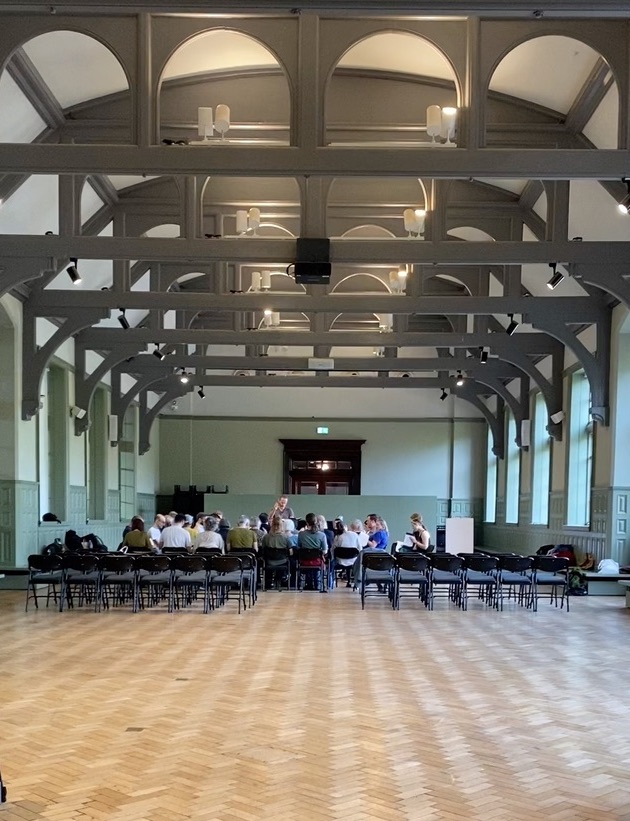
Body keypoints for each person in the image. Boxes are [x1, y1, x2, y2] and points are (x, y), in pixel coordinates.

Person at [296, 512, 328, 591]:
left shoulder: (301, 534)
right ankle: (317, 584)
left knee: (307, 560)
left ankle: (308, 584)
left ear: (306, 522)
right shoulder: (322, 535)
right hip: (317, 561)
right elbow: (325, 550)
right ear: (316, 521)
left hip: (304, 561)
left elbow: (298, 547)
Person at [261, 514, 293, 589]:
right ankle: (282, 580)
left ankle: (268, 583)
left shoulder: (266, 537)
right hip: (283, 561)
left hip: (269, 561)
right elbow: (291, 552)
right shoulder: (286, 537)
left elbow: (263, 549)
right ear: (282, 526)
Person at [332, 520, 362, 587]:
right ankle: (354, 582)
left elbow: (333, 549)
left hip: (340, 561)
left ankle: (332, 581)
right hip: (353, 562)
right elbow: (360, 549)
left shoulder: (337, 537)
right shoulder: (355, 535)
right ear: (346, 527)